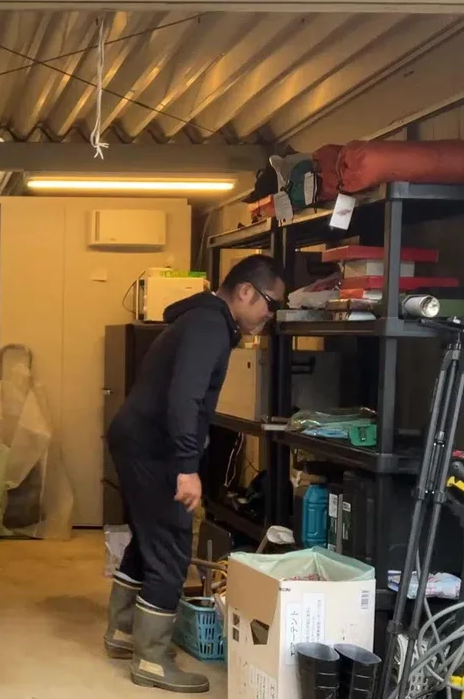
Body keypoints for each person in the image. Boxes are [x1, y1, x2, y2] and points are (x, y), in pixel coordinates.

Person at [103, 255, 284, 693]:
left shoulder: (203, 319)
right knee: (171, 545)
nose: (271, 314)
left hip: (140, 438)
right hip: (155, 448)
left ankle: (124, 632)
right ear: (245, 292)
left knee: (150, 537)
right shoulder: (209, 326)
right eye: (271, 303)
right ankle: (151, 660)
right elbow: (184, 398)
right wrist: (187, 467)